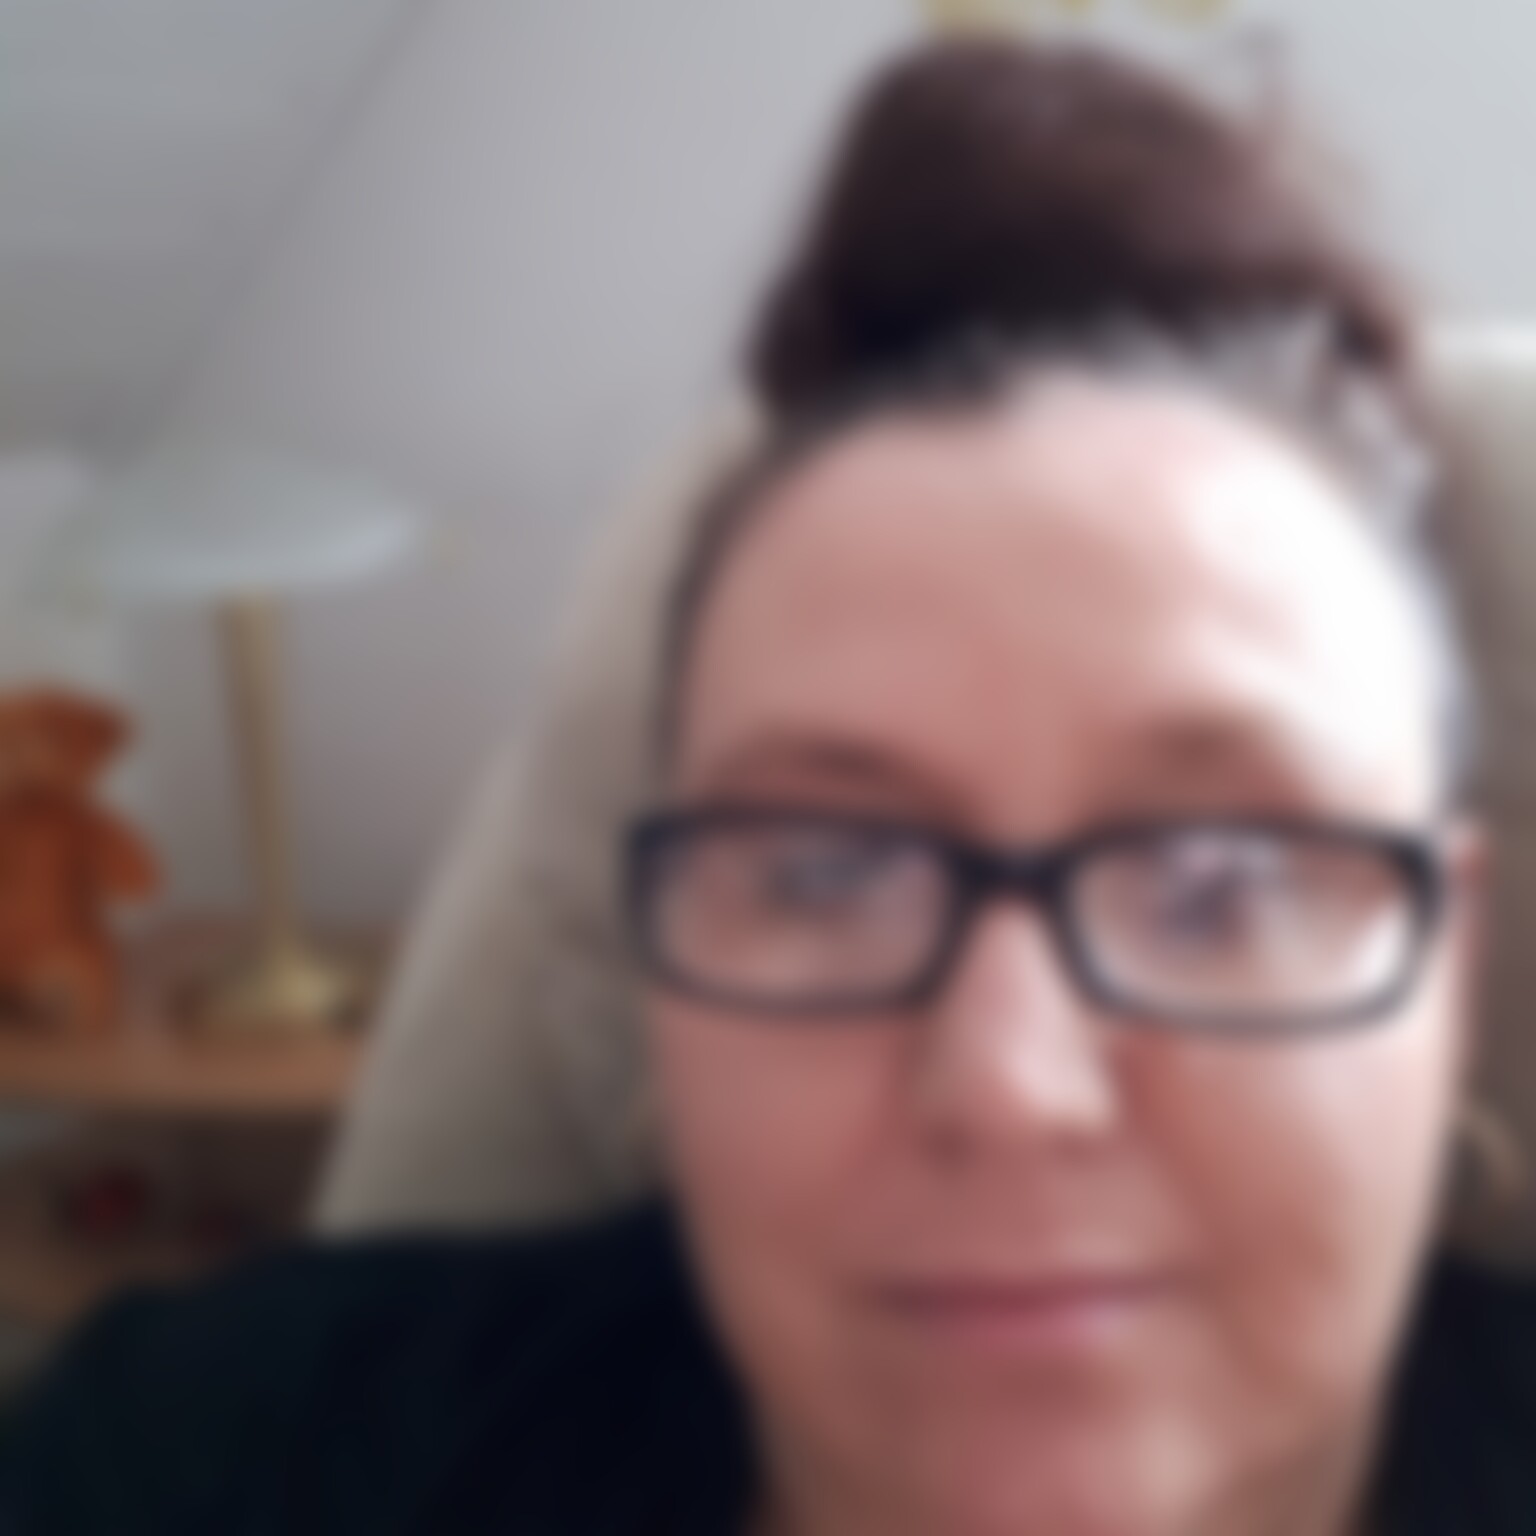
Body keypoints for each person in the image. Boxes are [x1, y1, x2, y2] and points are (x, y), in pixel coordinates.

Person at [5, 34, 1536, 1536]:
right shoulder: (209, 1453)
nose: (1010, 1087)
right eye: (830, 870)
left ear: (1453, 969)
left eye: (1220, 883)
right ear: (658, 989)